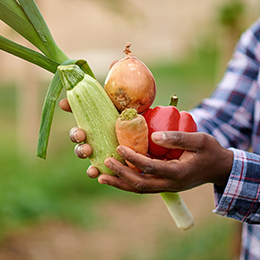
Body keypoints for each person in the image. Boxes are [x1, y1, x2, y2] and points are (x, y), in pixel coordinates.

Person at [59, 18, 260, 259]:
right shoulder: (257, 37)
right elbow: (225, 117)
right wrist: (145, 136)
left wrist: (227, 168)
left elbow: (219, 149)